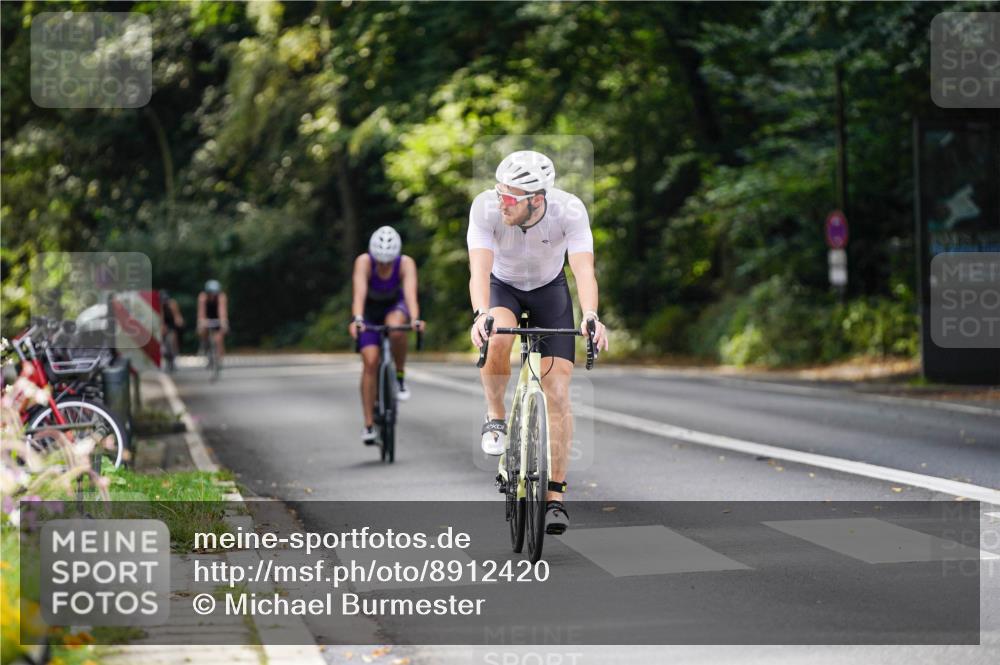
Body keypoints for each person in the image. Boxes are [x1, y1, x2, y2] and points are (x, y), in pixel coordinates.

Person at [467, 150, 609, 535]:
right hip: (503, 288)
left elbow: (584, 270)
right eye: (499, 192)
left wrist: (591, 315)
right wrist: (481, 313)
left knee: (558, 391)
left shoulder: (570, 211)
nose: (501, 201)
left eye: (510, 197)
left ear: (537, 199)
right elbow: (478, 269)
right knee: (497, 336)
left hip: (550, 291)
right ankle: (495, 417)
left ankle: (555, 497)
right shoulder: (485, 208)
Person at [349, 226, 425, 444]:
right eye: (380, 262)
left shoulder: (405, 263)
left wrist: (415, 320)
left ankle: (399, 377)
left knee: (396, 328)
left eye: (388, 262)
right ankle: (368, 425)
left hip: (394, 307)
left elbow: (410, 296)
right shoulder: (364, 262)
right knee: (370, 362)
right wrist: (357, 319)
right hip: (369, 313)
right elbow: (359, 295)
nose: (384, 266)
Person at [197, 279, 229, 367]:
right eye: (211, 293)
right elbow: (201, 312)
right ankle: (205, 345)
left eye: (215, 293)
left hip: (217, 317)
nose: (213, 295)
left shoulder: (221, 297)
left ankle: (219, 359)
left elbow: (222, 311)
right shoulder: (202, 297)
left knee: (219, 338)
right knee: (202, 330)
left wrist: (223, 322)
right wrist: (201, 322)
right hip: (207, 317)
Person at [159, 289, 185, 372]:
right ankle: (166, 356)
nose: (164, 302)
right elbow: (161, 318)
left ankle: (174, 355)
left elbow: (177, 315)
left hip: (171, 323)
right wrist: (162, 327)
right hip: (163, 323)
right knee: (163, 343)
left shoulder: (172, 303)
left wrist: (179, 321)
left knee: (173, 338)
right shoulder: (158, 305)